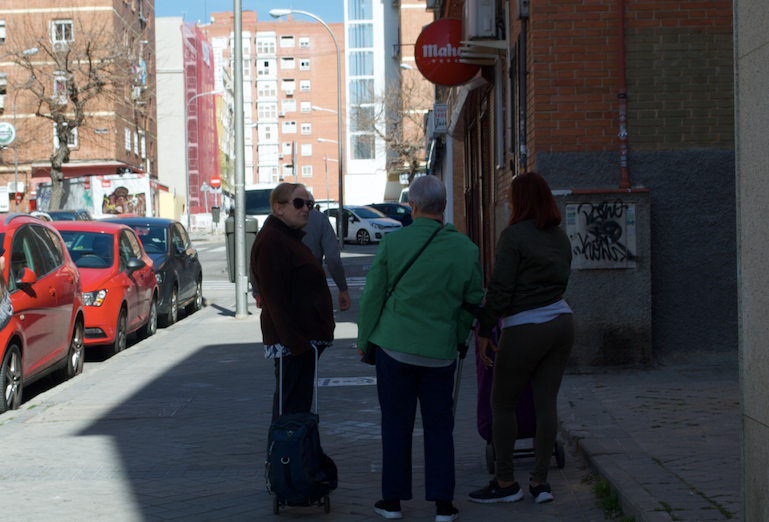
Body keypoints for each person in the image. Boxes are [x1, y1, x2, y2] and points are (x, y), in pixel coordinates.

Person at [357, 175, 484, 522]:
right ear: (443, 207)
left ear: (412, 206)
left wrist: (363, 340)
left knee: (396, 425)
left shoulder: (394, 244)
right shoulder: (465, 248)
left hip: (394, 349)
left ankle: (393, 502)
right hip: (440, 353)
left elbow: (372, 297)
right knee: (440, 426)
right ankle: (443, 504)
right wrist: (457, 340)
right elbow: (472, 302)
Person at [468, 172, 574, 505]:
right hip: (562, 322)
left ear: (522, 200)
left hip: (526, 325)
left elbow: (500, 289)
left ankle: (505, 482)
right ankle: (541, 483)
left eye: (513, 197)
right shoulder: (560, 237)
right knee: (546, 405)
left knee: (501, 403)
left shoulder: (513, 236)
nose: (511, 203)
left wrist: (485, 331)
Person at [250, 183, 335, 421]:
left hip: (300, 345)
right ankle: (284, 458)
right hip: (294, 346)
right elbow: (274, 299)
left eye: (309, 204)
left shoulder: (287, 238)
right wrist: (298, 346)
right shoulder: (273, 241)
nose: (306, 209)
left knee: (294, 413)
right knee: (290, 414)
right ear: (279, 208)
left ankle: (295, 457)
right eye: (299, 203)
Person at [302, 209, 351, 311]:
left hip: (279, 294)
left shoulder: (272, 223)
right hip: (313, 289)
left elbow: (261, 261)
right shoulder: (318, 218)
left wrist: (260, 292)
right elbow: (333, 259)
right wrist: (342, 288)